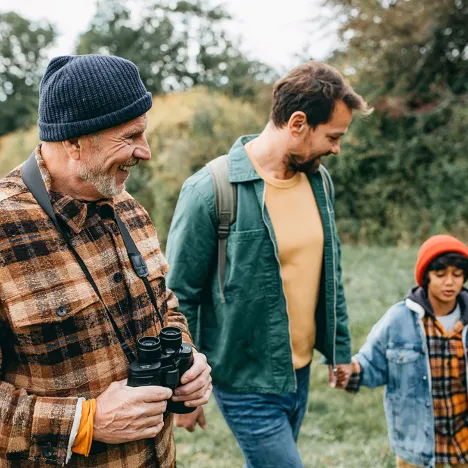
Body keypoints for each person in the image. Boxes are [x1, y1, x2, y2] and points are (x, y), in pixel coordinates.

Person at [0, 54, 212, 467]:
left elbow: (164, 306)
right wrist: (85, 423)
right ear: (74, 142)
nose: (145, 152)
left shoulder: (128, 207)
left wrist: (185, 357)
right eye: (130, 137)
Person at [165, 61, 372, 467]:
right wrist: (181, 388)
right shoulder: (209, 190)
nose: (336, 148)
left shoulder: (319, 181)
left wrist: (339, 350)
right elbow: (178, 299)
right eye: (332, 136)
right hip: (244, 378)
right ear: (298, 123)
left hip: (298, 373)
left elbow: (331, 275)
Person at [340, 235, 468, 468]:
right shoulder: (399, 319)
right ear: (426, 276)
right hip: (417, 444)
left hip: (463, 438)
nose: (449, 282)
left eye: (457, 275)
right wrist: (349, 372)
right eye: (440, 275)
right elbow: (371, 363)